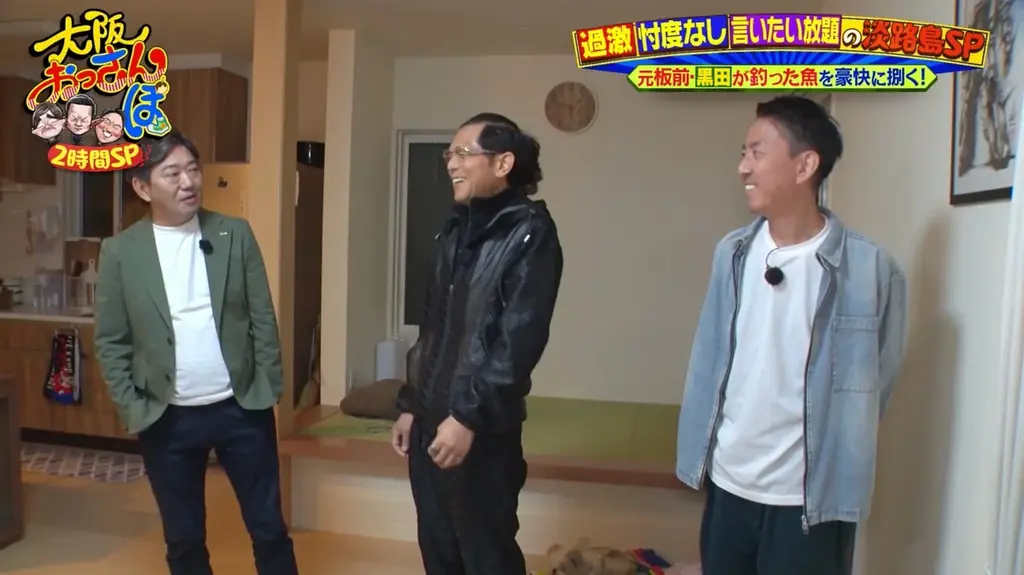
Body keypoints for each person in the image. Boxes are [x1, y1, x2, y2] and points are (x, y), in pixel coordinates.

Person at [675, 96, 908, 575]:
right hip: (730, 484)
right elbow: (711, 357)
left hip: (812, 500)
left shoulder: (869, 269)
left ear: (805, 166)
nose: (743, 167)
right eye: (743, 153)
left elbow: (876, 384)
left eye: (757, 153)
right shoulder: (731, 254)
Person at [93, 131, 299, 575]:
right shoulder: (120, 252)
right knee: (183, 539)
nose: (188, 182)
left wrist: (268, 386)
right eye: (172, 173)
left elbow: (263, 318)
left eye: (192, 169)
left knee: (269, 529)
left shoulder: (234, 234)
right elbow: (111, 340)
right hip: (166, 416)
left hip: (241, 407)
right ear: (143, 187)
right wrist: (133, 406)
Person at [390, 112, 564, 575]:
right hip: (431, 420)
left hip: (481, 428)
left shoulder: (530, 232)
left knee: (486, 554)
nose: (452, 163)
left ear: (503, 163)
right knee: (438, 549)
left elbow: (518, 340)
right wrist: (412, 404)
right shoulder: (454, 229)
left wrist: (467, 417)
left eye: (464, 154)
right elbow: (433, 327)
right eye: (450, 154)